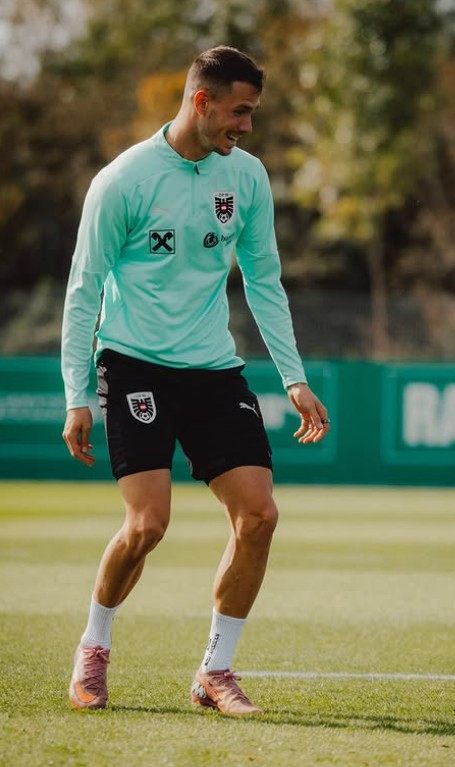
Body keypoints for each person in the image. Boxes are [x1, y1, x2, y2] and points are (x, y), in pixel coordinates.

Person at [61, 45, 329, 717]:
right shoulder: (122, 181)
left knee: (259, 515)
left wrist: (293, 377)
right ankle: (94, 647)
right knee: (147, 525)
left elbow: (263, 279)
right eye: (239, 111)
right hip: (133, 364)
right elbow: (83, 290)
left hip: (213, 368)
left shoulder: (247, 176)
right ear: (201, 101)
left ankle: (215, 670)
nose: (247, 126)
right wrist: (76, 394)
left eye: (252, 113)